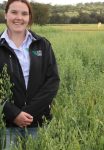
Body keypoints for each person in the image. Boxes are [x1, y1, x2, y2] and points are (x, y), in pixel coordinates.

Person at [0, 0, 60, 148]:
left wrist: (27, 114)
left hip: (37, 121)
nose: (18, 17)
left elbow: (52, 81)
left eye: (24, 13)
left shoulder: (41, 44)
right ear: (5, 15)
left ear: (29, 17)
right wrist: (13, 114)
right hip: (6, 124)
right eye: (14, 12)